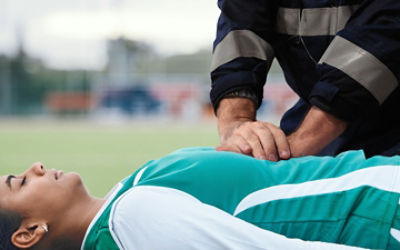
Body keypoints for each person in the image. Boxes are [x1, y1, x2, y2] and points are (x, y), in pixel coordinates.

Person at [1, 148, 400, 250]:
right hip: (380, 210)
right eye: (19, 183)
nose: (35, 166)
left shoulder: (124, 202)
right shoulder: (129, 219)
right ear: (29, 233)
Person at [210, 0, 400, 161]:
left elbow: (382, 40)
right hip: (319, 118)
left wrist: (292, 149)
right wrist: (238, 127)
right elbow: (239, 28)